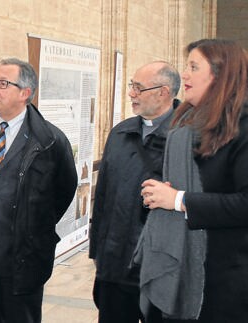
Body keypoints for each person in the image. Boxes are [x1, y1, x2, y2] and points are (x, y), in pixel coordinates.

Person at [0, 58, 77, 323]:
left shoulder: (50, 141)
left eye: (4, 83)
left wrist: (31, 226)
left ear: (25, 93)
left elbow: (65, 190)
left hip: (22, 259)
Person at [140, 39, 248, 322]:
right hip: (179, 263)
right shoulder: (186, 123)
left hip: (224, 280)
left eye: (193, 67)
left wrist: (177, 200)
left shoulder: (243, 128)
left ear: (220, 74)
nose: (184, 74)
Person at [89, 61, 181, 323]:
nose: (131, 94)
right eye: (132, 86)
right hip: (115, 266)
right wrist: (97, 252)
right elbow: (103, 199)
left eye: (138, 88)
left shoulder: (189, 137)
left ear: (163, 92)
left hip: (160, 270)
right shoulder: (120, 133)